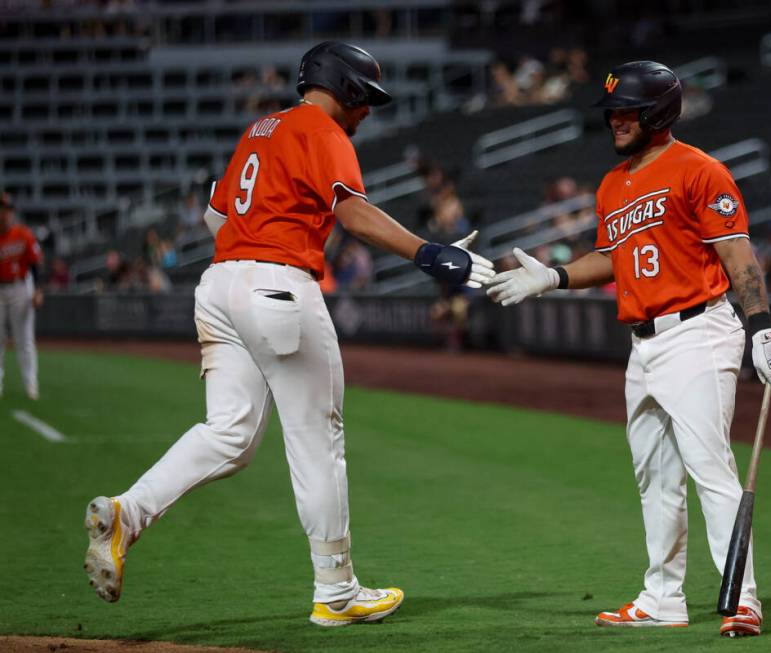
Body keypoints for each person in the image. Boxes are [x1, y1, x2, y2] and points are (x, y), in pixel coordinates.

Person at [83, 41, 494, 627]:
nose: (367, 111)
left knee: (230, 432)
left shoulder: (259, 130)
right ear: (345, 86)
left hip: (219, 284)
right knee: (317, 441)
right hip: (277, 286)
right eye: (365, 97)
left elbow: (215, 218)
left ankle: (128, 514)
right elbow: (352, 214)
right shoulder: (324, 131)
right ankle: (337, 590)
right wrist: (427, 251)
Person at [486, 61, 771, 638]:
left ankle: (743, 600)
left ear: (658, 111)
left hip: (698, 332)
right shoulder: (612, 183)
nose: (615, 121)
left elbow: (739, 255)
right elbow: (611, 257)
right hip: (643, 344)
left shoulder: (699, 170)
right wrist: (553, 277)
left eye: (626, 110)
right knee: (655, 476)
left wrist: (763, 329)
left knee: (710, 470)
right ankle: (662, 598)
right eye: (612, 112)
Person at [0, 193, 43, 400]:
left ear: (12, 213)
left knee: (24, 339)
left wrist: (38, 290)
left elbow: (35, 263)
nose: (3, 214)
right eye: (1, 210)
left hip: (20, 287)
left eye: (7, 210)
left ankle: (30, 384)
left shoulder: (23, 234)